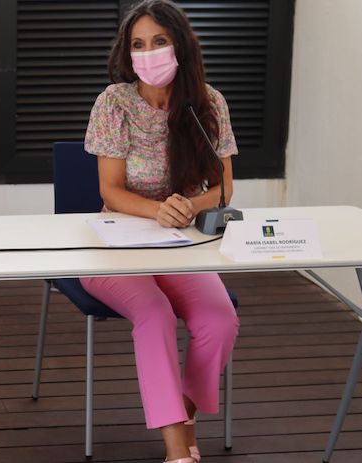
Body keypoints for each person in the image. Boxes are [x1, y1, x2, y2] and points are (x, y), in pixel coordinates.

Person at [79, 1, 240, 462]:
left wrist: (188, 205)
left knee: (219, 320)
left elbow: (224, 186)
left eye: (159, 41)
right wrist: (158, 210)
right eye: (138, 44)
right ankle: (177, 453)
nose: (148, 53)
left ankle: (183, 416)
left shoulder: (209, 103)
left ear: (180, 45)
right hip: (114, 245)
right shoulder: (114, 102)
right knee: (155, 314)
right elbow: (110, 191)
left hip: (178, 245)